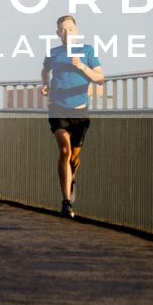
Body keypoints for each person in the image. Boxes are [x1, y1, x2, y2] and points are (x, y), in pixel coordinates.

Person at [40, 13, 104, 218]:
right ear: (57, 33)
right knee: (65, 150)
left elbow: (100, 78)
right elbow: (45, 70)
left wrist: (82, 67)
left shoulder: (87, 51)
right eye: (62, 29)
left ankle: (71, 176)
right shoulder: (53, 53)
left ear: (76, 31)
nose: (66, 32)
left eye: (70, 29)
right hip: (57, 108)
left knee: (74, 158)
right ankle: (66, 202)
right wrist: (45, 85)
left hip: (80, 110)